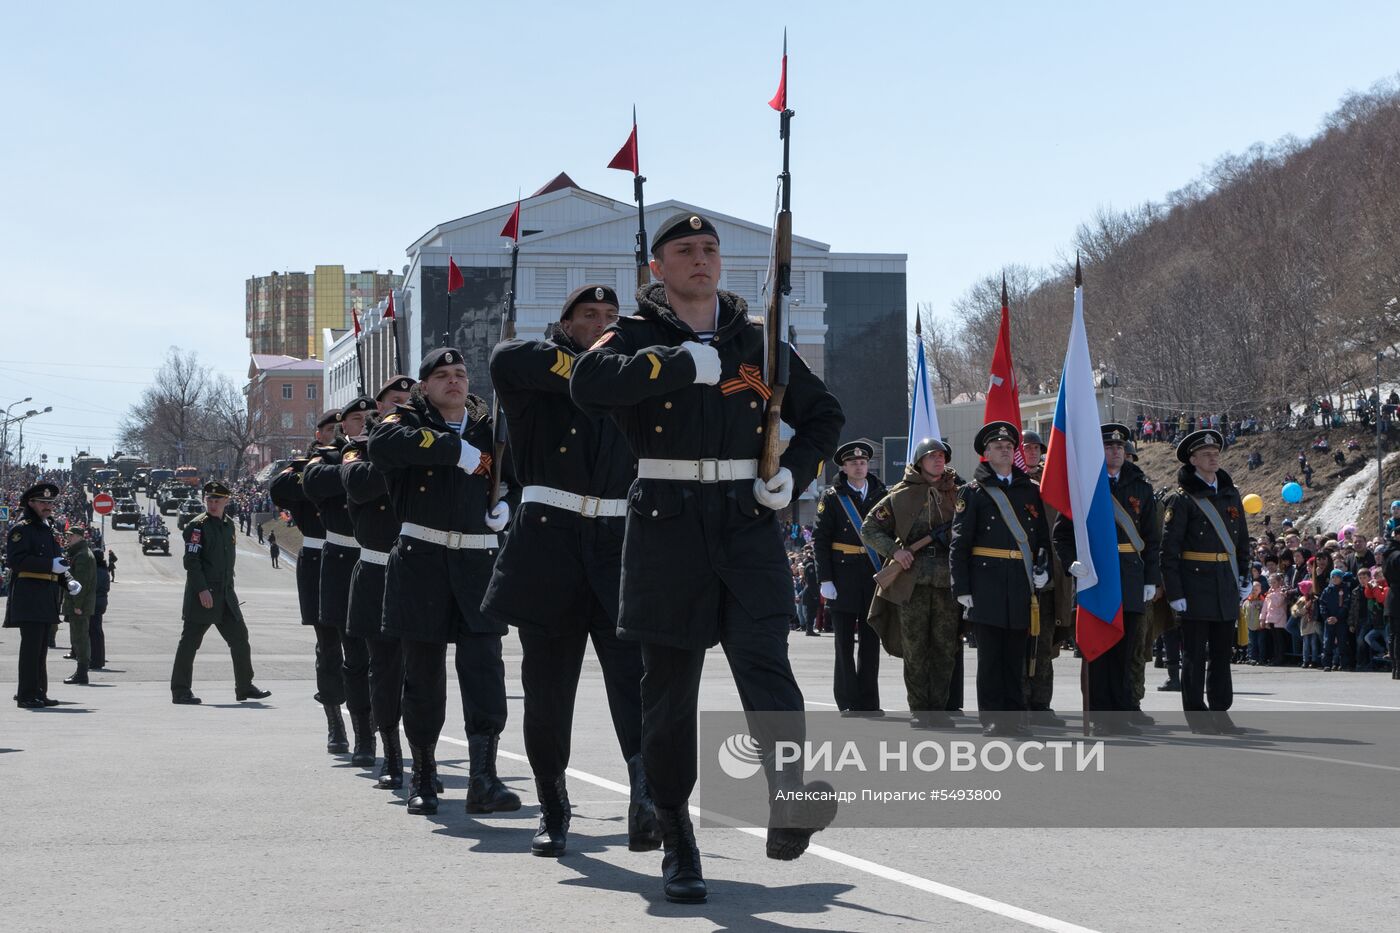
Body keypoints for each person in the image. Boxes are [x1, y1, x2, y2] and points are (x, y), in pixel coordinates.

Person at [570, 211, 844, 904]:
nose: (701, 259)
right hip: (666, 522)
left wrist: (796, 473)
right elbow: (588, 384)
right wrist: (670, 363)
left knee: (766, 662)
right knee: (668, 692)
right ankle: (676, 835)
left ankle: (789, 794)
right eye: (685, 250)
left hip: (746, 519)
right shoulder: (632, 335)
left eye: (711, 249)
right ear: (658, 267)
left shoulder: (757, 340)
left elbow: (823, 413)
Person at [483, 284, 659, 857]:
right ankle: (553, 805)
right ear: (564, 323)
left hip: (618, 544)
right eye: (590, 315)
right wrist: (612, 371)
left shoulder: (632, 375)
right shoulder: (533, 364)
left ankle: (644, 795)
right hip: (550, 543)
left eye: (612, 316)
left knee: (635, 683)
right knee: (548, 692)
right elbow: (505, 359)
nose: (602, 322)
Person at [366, 348, 517, 819]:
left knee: (485, 675)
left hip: (477, 561)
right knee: (423, 679)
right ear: (424, 386)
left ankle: (483, 778)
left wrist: (508, 504)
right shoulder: (401, 423)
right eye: (443, 376)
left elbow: (518, 474)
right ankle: (425, 775)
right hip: (422, 561)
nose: (455, 381)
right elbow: (382, 449)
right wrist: (454, 450)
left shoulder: (491, 427)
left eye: (460, 374)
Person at [1052, 423, 1161, 735]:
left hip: (1129, 575)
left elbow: (1152, 539)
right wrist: (1071, 562)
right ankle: (1101, 715)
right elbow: (1062, 534)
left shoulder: (1139, 484)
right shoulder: (1085, 484)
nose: (1115, 452)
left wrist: (1150, 578)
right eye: (1108, 447)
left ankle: (1123, 714)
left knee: (1128, 650)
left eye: (1119, 447)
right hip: (1097, 576)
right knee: (1099, 648)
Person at [950, 421, 1050, 737]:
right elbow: (959, 543)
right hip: (986, 584)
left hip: (1020, 582)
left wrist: (1043, 569)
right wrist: (962, 587)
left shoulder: (1030, 490)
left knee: (1016, 656)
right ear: (986, 453)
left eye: (1009, 446)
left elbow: (1041, 538)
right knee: (991, 657)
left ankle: (1016, 716)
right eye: (998, 446)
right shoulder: (973, 493)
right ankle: (993, 718)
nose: (1005, 450)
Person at [343, 375, 416, 791]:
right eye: (395, 400)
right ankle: (389, 753)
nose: (403, 405)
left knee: (422, 672)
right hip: (375, 568)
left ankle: (423, 758)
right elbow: (360, 483)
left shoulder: (427, 440)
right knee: (383, 668)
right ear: (378, 407)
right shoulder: (359, 448)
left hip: (419, 567)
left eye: (410, 399)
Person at [862, 437, 962, 728]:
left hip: (947, 581)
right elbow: (869, 528)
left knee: (945, 648)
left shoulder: (957, 491)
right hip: (911, 582)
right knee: (915, 649)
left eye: (942, 455)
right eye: (932, 456)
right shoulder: (899, 495)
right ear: (920, 461)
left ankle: (939, 709)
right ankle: (920, 709)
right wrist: (896, 551)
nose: (938, 460)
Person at [303, 396, 377, 768]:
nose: (364, 423)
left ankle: (370, 729)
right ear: (343, 427)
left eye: (369, 417)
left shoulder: (385, 451)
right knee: (335, 653)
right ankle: (337, 720)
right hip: (340, 562)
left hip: (378, 559)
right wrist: (356, 465)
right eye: (356, 419)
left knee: (373, 655)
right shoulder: (329, 458)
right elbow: (311, 482)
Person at [1160, 429, 1250, 734]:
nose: (1213, 458)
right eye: (1206, 454)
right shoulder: (1181, 499)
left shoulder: (1230, 493)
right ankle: (1197, 715)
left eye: (1216, 453)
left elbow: (1241, 541)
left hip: (1224, 582)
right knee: (1195, 655)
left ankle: (1220, 710)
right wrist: (1175, 592)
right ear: (1193, 459)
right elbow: (1169, 550)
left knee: (1223, 654)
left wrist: (1244, 574)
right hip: (1195, 586)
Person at [269, 411, 339, 749]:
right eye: (331, 429)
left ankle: (366, 719)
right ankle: (334, 720)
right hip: (318, 558)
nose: (338, 434)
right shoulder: (302, 467)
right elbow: (278, 489)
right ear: (318, 434)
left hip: (359, 558)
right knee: (329, 646)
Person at [169, 482, 271, 705]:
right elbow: (191, 562)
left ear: (226, 501)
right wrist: (203, 590)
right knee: (190, 643)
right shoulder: (197, 527)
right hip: (203, 595)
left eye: (217, 500)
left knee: (240, 639)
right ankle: (180, 690)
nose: (213, 504)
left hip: (225, 595)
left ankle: (244, 686)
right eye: (209, 500)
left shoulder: (228, 525)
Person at [812, 440, 887, 716]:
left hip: (873, 573)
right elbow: (821, 540)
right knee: (843, 641)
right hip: (842, 575)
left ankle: (869, 701)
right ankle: (847, 699)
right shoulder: (833, 497)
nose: (859, 466)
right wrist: (825, 579)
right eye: (853, 462)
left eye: (863, 462)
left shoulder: (881, 494)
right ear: (844, 467)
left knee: (871, 641)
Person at [5, 482, 75, 708]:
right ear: (30, 503)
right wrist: (49, 565)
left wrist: (68, 581)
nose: (48, 506)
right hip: (29, 595)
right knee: (31, 648)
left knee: (41, 649)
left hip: (46, 595)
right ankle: (26, 695)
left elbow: (58, 564)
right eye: (43, 502)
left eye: (50, 503)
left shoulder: (47, 529)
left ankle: (39, 692)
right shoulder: (21, 529)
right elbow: (17, 561)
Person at [1018, 429, 1069, 727]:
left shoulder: (1052, 486)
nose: (1033, 452)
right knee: (1021, 644)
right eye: (1027, 447)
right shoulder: (1015, 485)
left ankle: (1041, 703)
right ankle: (1020, 700)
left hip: (1049, 578)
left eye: (1037, 448)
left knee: (1045, 644)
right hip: (1018, 578)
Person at [60, 525, 98, 685]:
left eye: (71, 536)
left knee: (80, 638)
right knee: (78, 637)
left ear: (80, 537)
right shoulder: (79, 553)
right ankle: (81, 672)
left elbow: (81, 583)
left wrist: (77, 605)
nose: (68, 538)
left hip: (80, 605)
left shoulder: (83, 556)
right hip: (79, 603)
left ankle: (82, 673)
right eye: (68, 535)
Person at [89, 544, 111, 671]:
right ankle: (98, 658)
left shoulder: (96, 570)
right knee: (97, 631)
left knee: (94, 632)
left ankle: (96, 659)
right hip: (101, 602)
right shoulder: (103, 570)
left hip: (95, 602)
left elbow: (93, 587)